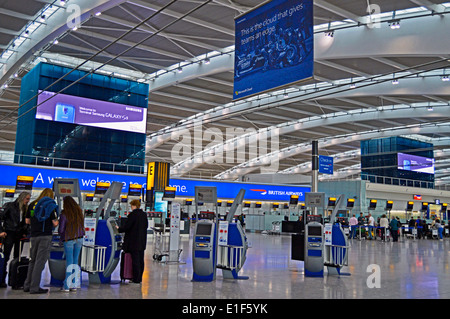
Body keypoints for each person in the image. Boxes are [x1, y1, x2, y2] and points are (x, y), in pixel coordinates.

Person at [23, 188, 59, 294]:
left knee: (33, 260)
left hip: (33, 236)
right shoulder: (50, 205)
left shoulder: (32, 204)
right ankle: (34, 287)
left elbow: (27, 221)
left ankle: (27, 285)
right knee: (40, 262)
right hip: (45, 235)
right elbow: (55, 223)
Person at [0, 192, 31, 288]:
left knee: (18, 257)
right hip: (9, 233)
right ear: (22, 198)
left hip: (19, 234)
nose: (28, 201)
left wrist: (25, 230)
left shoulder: (25, 209)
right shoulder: (10, 206)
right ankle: (2, 279)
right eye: (27, 199)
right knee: (6, 256)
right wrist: (1, 231)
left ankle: (15, 279)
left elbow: (24, 222)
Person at [117, 199, 148, 284]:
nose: (131, 207)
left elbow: (127, 227)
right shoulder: (144, 215)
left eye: (131, 206)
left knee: (135, 261)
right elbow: (146, 226)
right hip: (142, 242)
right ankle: (140, 278)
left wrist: (119, 229)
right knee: (141, 260)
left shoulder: (133, 215)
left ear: (134, 206)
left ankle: (136, 279)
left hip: (134, 242)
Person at [58, 196, 85, 292]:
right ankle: (74, 284)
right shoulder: (79, 212)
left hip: (68, 239)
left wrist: (60, 237)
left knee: (69, 262)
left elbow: (61, 229)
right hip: (80, 238)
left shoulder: (64, 214)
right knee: (75, 262)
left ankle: (67, 286)